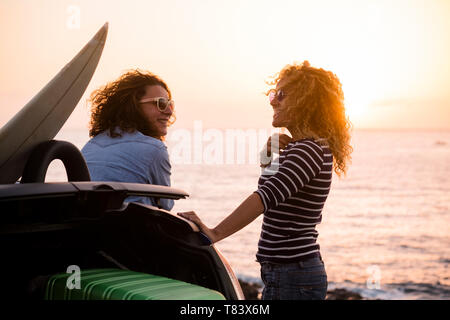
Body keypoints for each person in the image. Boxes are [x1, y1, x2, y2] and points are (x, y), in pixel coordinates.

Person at [178, 61, 352, 300]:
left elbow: (264, 198)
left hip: (293, 275)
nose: (273, 101)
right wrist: (267, 160)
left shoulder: (308, 150)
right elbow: (272, 194)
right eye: (273, 94)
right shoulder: (302, 148)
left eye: (281, 95)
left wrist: (214, 233)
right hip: (286, 272)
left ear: (306, 102)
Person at [81, 69, 176, 211]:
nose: (169, 111)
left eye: (170, 104)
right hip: (131, 229)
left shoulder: (90, 146)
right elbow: (165, 205)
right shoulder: (154, 149)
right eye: (161, 103)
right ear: (133, 106)